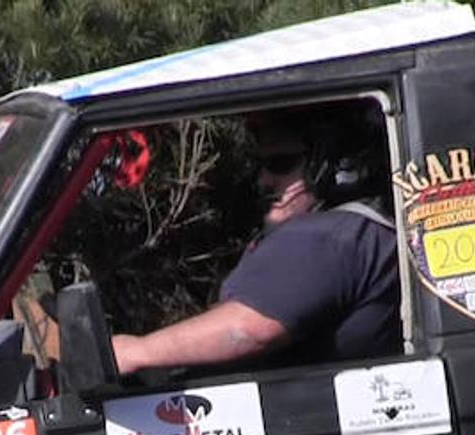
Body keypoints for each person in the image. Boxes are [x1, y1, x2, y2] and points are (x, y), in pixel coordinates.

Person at [111, 103, 399, 374]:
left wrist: (135, 352)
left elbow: (245, 330)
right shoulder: (364, 232)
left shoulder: (324, 237)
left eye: (280, 163)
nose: (264, 180)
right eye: (261, 164)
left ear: (334, 167)